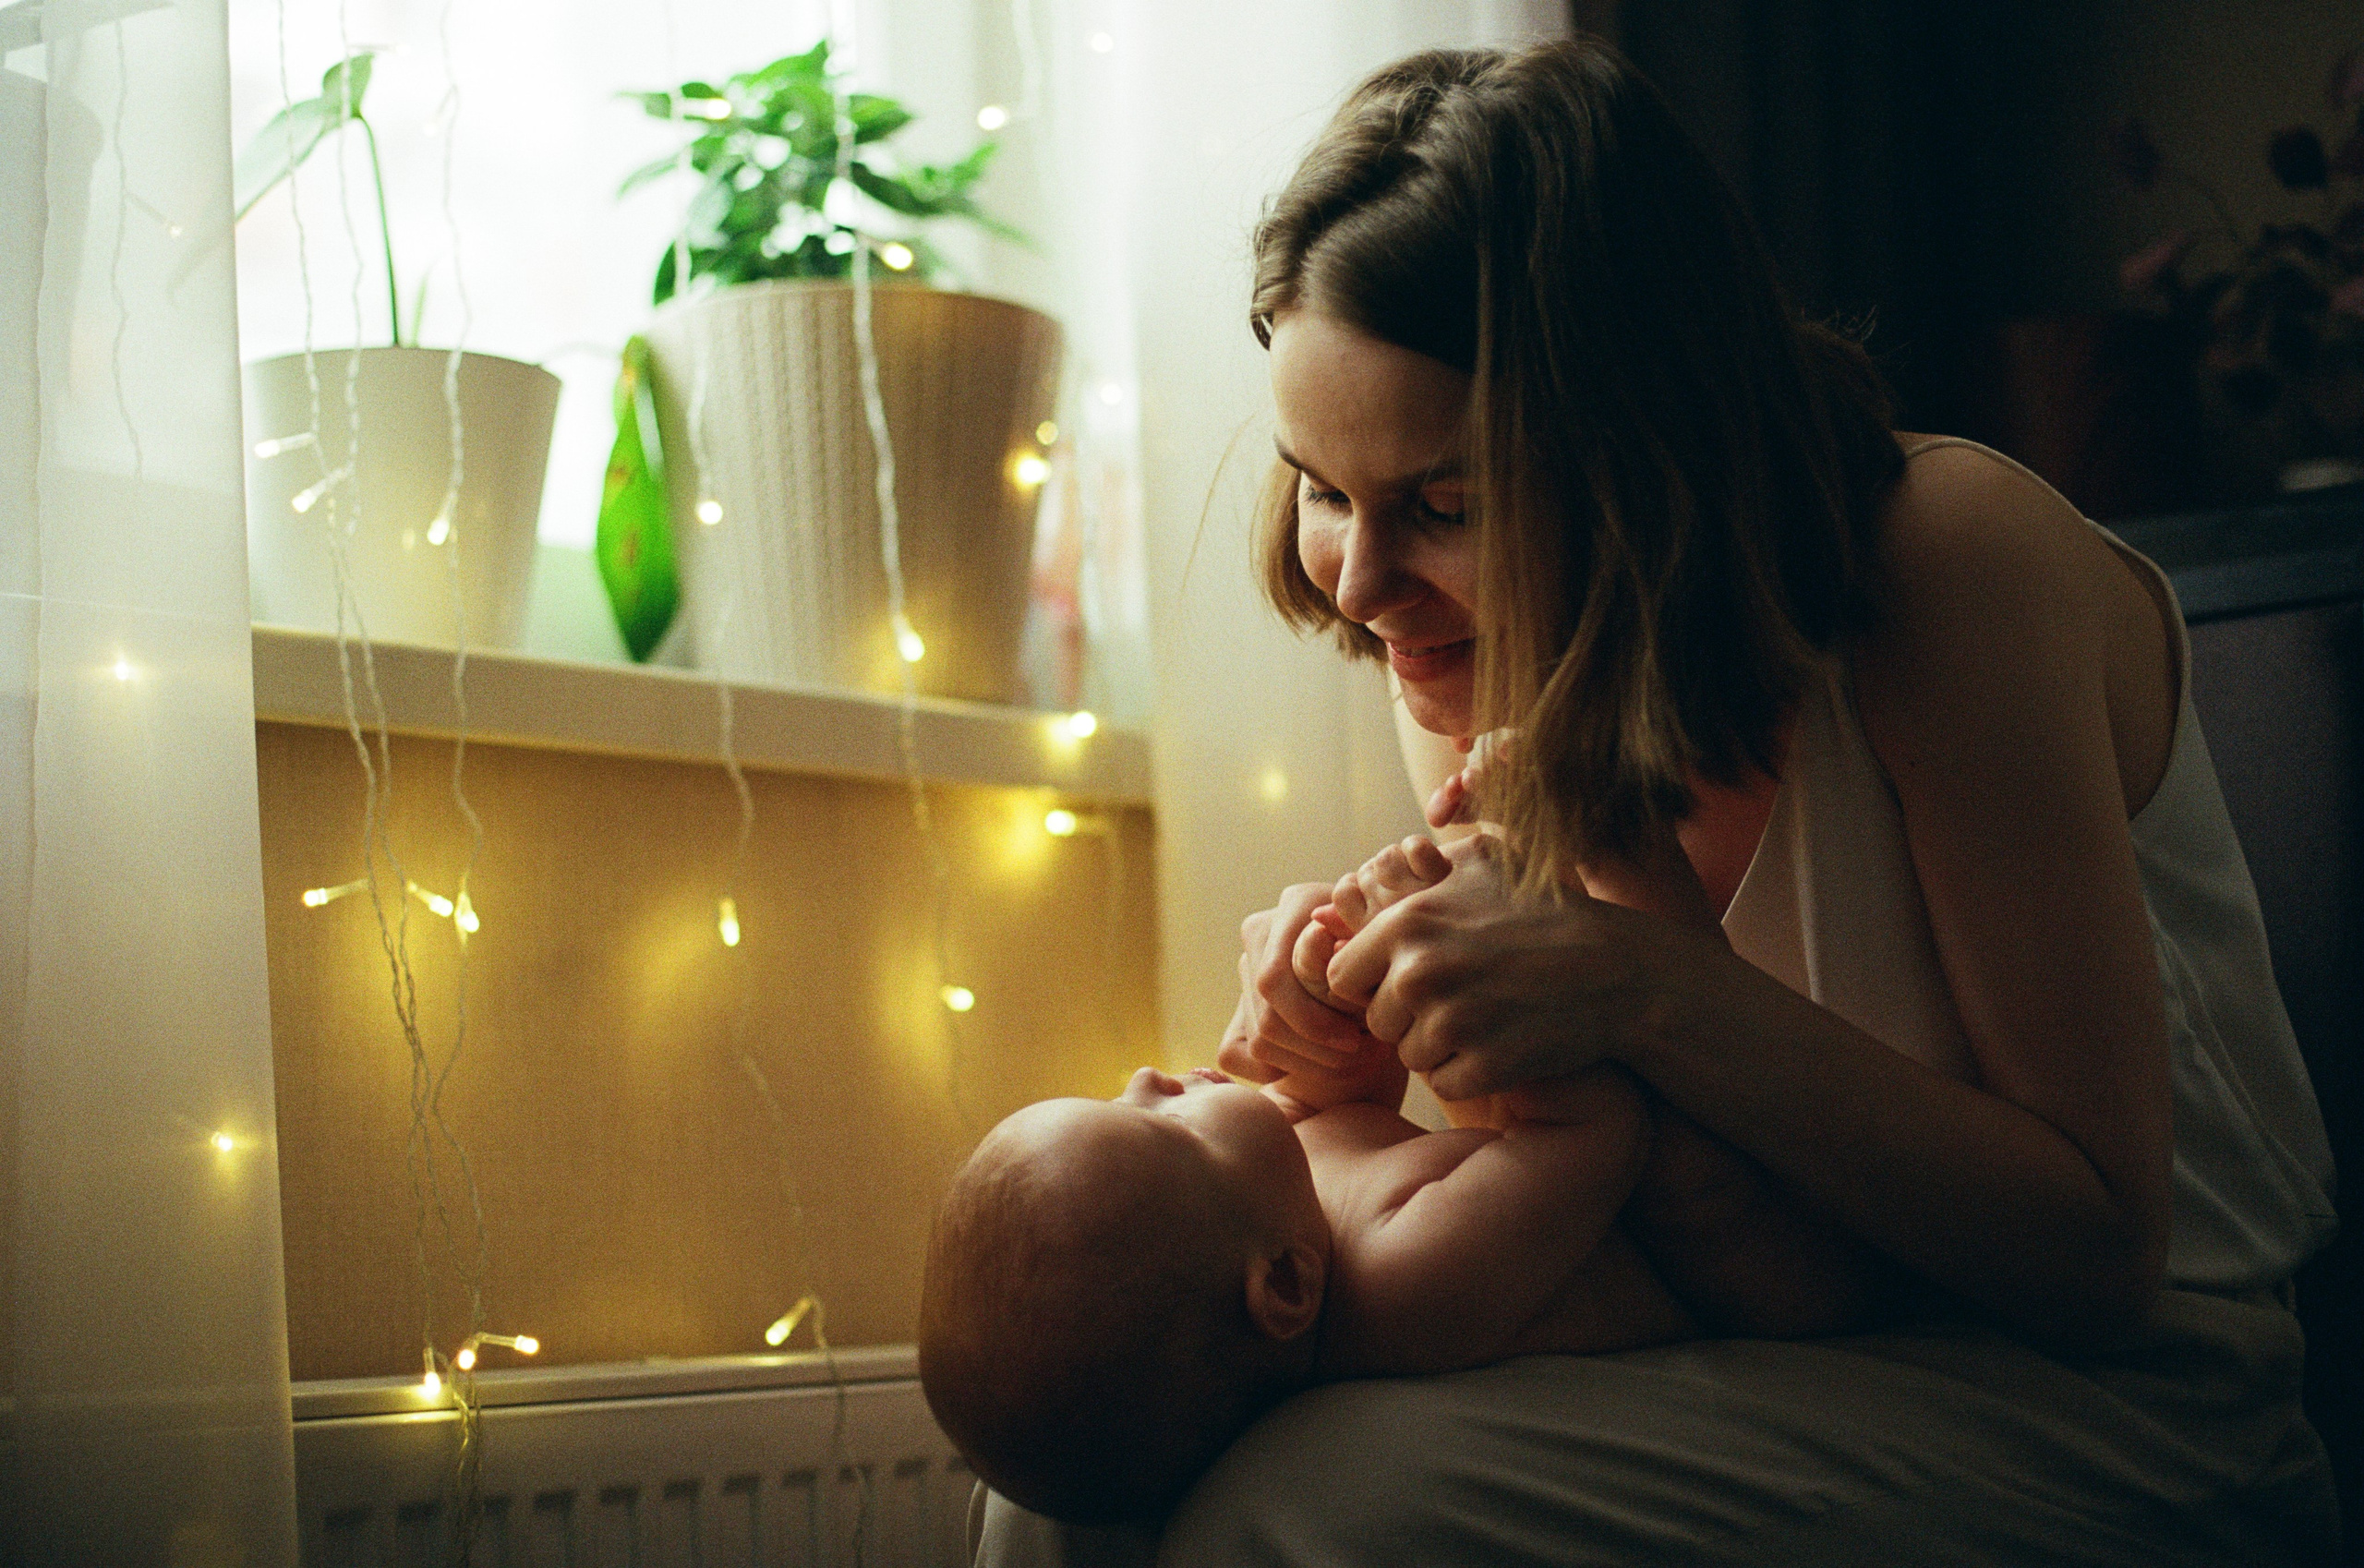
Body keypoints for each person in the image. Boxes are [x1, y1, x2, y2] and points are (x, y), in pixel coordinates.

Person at [976, 34, 2341, 1567]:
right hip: (1783, 1333)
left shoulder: (1948, 561)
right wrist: (1345, 1078)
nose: (1358, 588)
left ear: (1638, 452)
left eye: (1443, 503)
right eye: (1322, 489)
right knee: (1070, 1479)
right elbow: (1646, 1218)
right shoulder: (1481, 666)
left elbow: (2101, 1255)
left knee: (1308, 1508)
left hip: (2135, 1397)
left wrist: (1648, 986)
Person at [917, 1055, 1693, 1526]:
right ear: (1285, 1285)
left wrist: (1337, 1037)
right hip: (1716, 1257)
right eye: (1169, 1125)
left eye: (1120, 1100)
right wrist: (1496, 997)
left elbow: (1353, 1104)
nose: (1145, 1078)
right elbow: (1600, 1127)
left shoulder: (1274, 1206)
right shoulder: (1406, 1276)